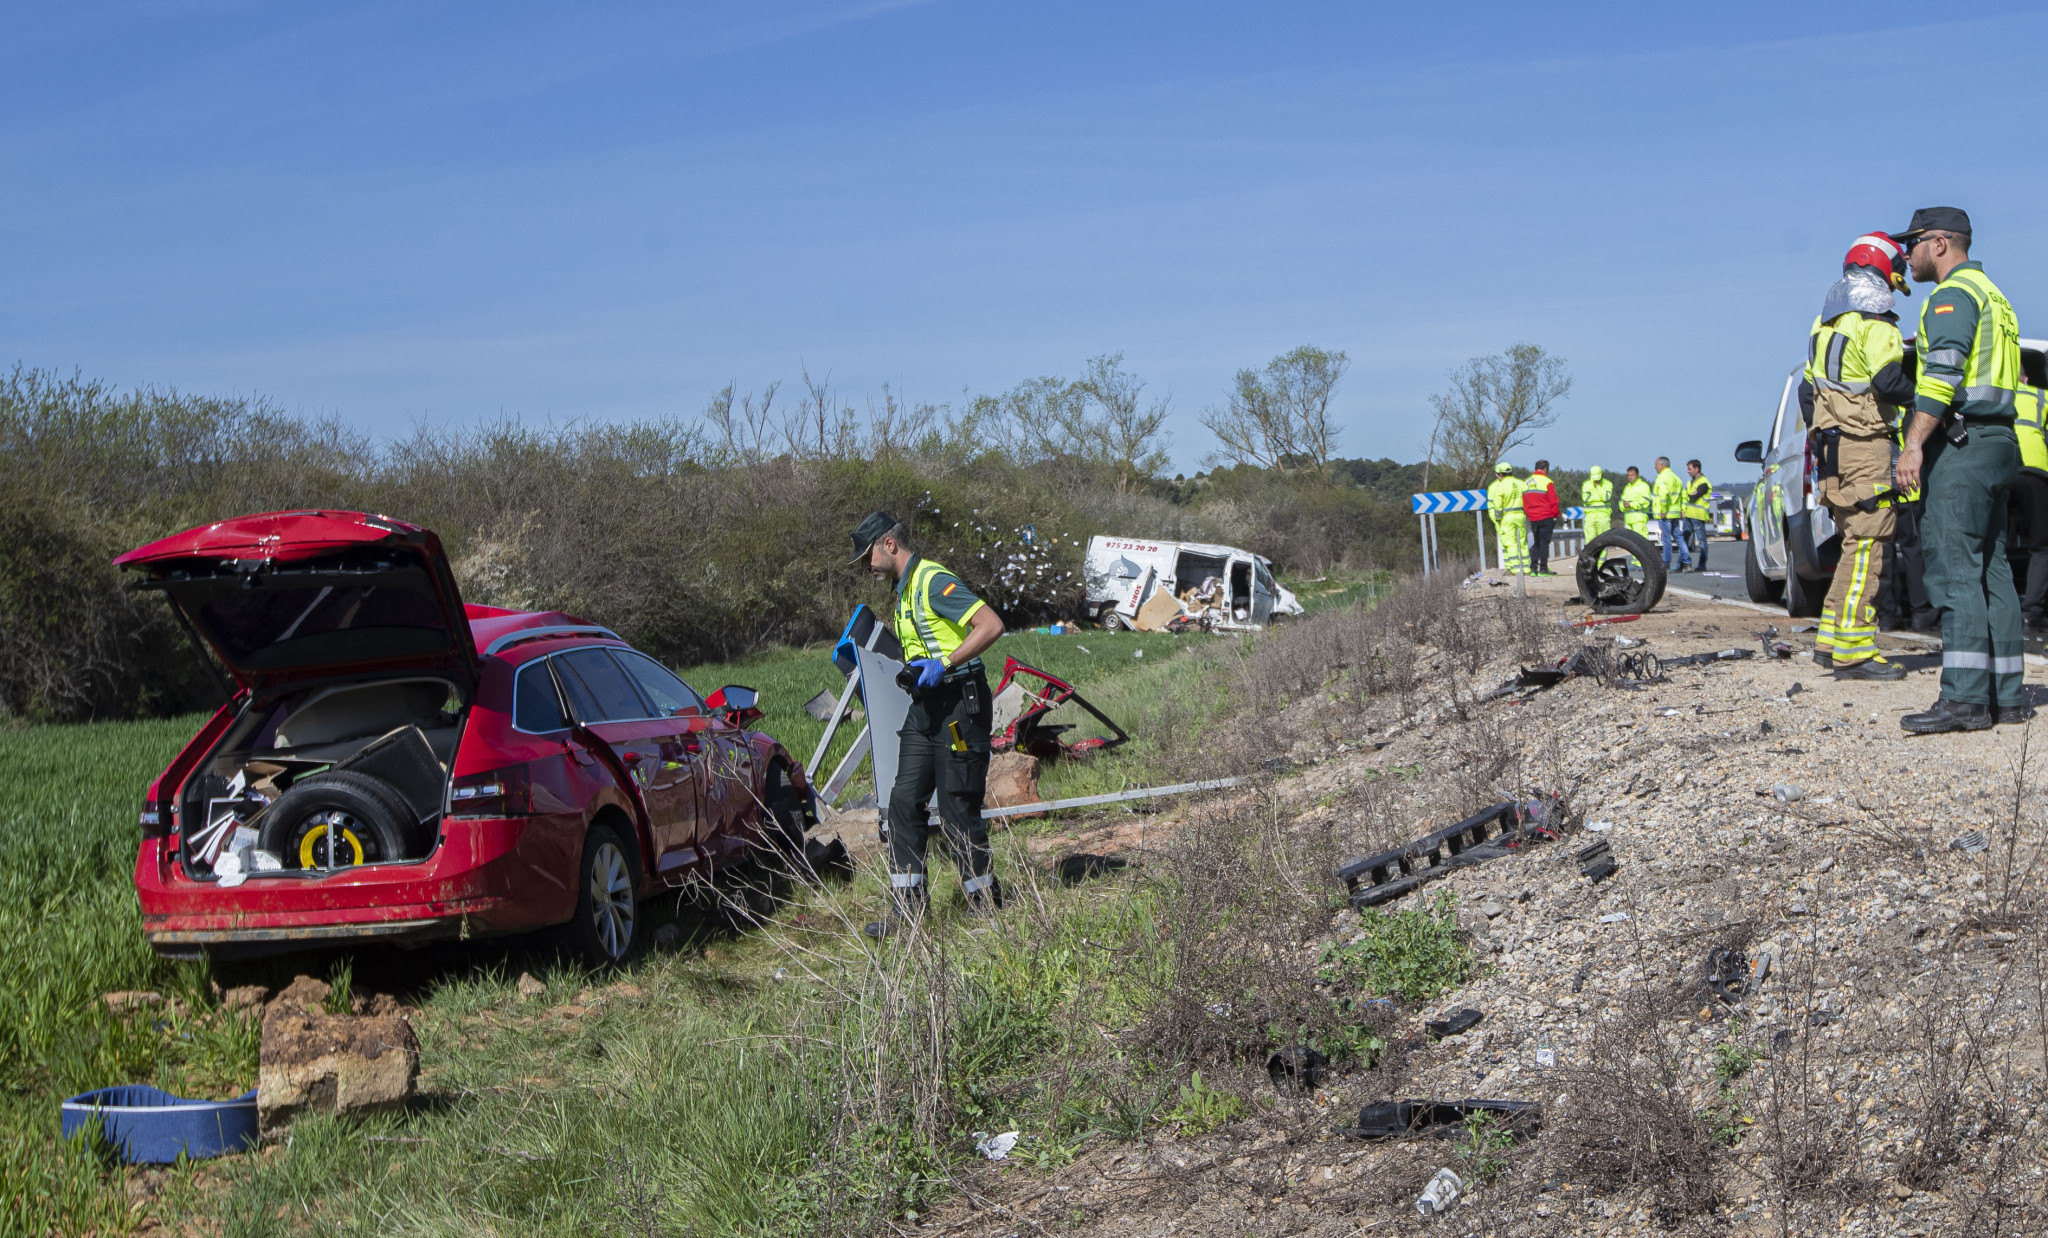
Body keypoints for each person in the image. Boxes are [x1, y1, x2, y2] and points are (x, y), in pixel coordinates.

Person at [1891, 208, 2026, 731]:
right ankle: (2007, 697)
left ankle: (1965, 699)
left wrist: (1913, 445)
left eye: (1915, 243)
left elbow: (1943, 374)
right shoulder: (1995, 295)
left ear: (1941, 243)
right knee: (1992, 570)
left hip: (1963, 444)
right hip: (1998, 442)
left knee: (1952, 568)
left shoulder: (1951, 296)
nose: (1908, 254)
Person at [848, 512, 1008, 936]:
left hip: (959, 706)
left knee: (957, 806)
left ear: (888, 545)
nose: (866, 567)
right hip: (925, 709)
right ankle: (909, 914)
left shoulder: (933, 581)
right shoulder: (903, 591)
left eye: (867, 557)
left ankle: (985, 905)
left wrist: (945, 663)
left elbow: (991, 625)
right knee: (903, 802)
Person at [1797, 231, 1915, 678]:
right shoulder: (1878, 324)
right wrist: (1927, 398)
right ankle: (1855, 652)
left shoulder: (1822, 324)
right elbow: (1888, 382)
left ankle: (1831, 642)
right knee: (1868, 546)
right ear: (1884, 270)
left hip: (1831, 452)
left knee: (1851, 543)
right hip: (1865, 447)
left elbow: (1808, 392)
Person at [2010, 383, 2048, 634]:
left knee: (1994, 544)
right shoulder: (2041, 396)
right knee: (2042, 546)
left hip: (2001, 466)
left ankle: (1996, 610)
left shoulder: (1995, 393)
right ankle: (2031, 614)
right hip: (2035, 470)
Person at [1487, 462, 1528, 575]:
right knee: (1522, 542)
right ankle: (1526, 568)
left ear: (1500, 474)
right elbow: (1528, 498)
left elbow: (1496, 506)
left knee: (1510, 544)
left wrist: (1498, 519)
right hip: (1521, 516)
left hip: (1506, 518)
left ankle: (1515, 569)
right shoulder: (1521, 483)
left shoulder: (1499, 486)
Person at [1651, 457, 1691, 571]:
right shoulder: (1677, 479)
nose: (1655, 467)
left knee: (1666, 540)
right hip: (1675, 513)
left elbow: (1663, 495)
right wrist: (1683, 509)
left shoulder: (1662, 478)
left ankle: (1666, 563)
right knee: (1679, 538)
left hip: (1665, 514)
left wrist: (1663, 510)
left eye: (1656, 465)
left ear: (1662, 465)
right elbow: (1684, 495)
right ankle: (1687, 562)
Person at [1522, 460, 1561, 575]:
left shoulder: (1526, 482)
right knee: (1544, 544)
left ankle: (1533, 569)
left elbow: (1524, 502)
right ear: (1545, 469)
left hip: (1533, 518)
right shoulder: (1547, 481)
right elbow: (1554, 501)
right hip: (1546, 516)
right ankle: (1543, 569)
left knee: (1536, 543)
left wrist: (1530, 514)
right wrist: (1555, 516)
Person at [1682, 459, 1714, 572]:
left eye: (1690, 469)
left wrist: (1687, 496)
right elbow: (1687, 497)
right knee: (1684, 540)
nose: (1688, 471)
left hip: (1698, 516)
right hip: (1688, 515)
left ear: (1697, 469)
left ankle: (1702, 564)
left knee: (1702, 541)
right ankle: (1685, 563)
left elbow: (1693, 497)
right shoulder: (1690, 483)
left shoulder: (1703, 483)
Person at [1580, 466, 1614, 541]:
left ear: (1602, 475)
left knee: (1603, 540)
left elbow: (1606, 498)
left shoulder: (1608, 484)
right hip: (1590, 516)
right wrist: (1599, 496)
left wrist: (1597, 488)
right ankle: (1591, 553)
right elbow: (1586, 499)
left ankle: (1602, 553)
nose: (1596, 481)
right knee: (1590, 541)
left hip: (1603, 516)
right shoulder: (1586, 484)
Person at [1619, 466, 1653, 536]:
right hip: (1628, 520)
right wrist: (1623, 505)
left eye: (1632, 475)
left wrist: (1630, 505)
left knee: (1641, 542)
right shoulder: (1627, 487)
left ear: (1637, 475)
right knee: (1629, 543)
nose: (1630, 477)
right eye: (1628, 475)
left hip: (1639, 520)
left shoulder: (1643, 486)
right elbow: (1621, 501)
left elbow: (1645, 503)